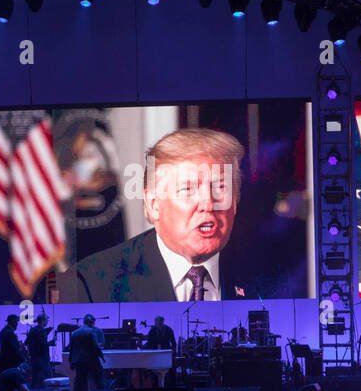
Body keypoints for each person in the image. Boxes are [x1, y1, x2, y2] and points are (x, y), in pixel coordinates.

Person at [63, 128, 249, 302]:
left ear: (234, 202)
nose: (208, 204)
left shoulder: (270, 279)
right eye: (188, 189)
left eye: (220, 187)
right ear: (153, 205)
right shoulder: (89, 286)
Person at [69, 314, 105, 391]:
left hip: (79, 361)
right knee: (98, 379)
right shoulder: (91, 331)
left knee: (79, 380)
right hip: (90, 359)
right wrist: (102, 357)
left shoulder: (75, 332)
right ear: (92, 322)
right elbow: (96, 346)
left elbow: (71, 349)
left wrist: (71, 361)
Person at [24, 313, 55, 388]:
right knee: (49, 377)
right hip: (43, 358)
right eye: (47, 320)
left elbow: (26, 342)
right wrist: (52, 341)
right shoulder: (42, 331)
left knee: (35, 380)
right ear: (43, 321)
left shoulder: (32, 330)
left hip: (34, 358)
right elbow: (43, 345)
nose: (47, 322)